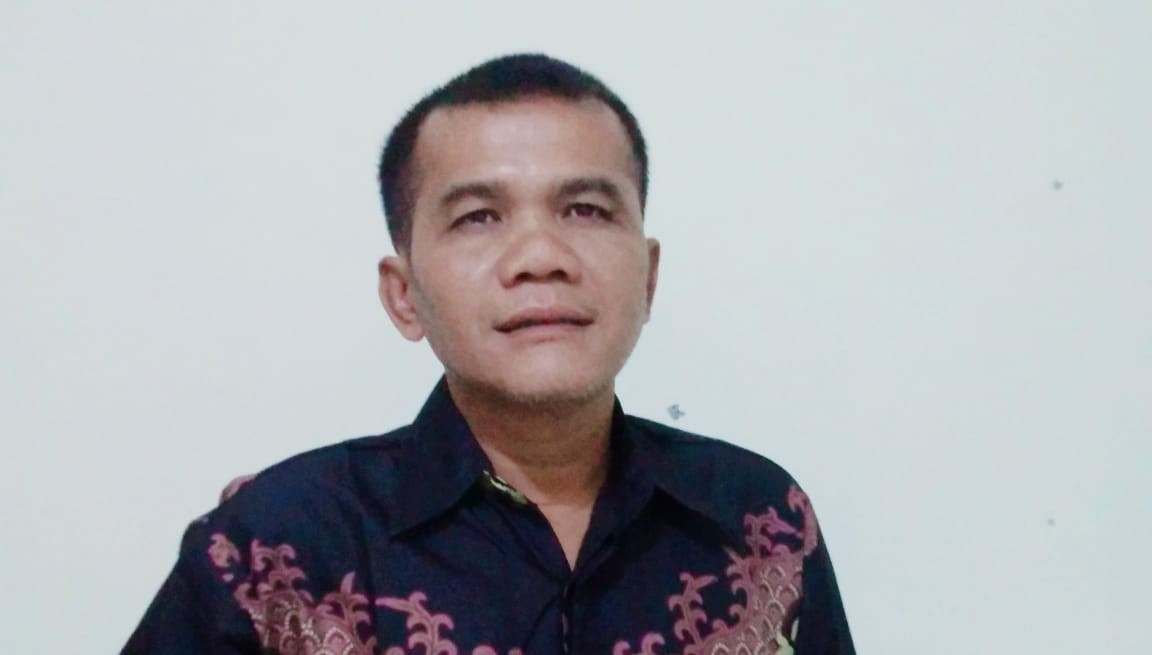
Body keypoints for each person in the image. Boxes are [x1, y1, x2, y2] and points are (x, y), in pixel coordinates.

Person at [121, 53, 855, 655]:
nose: (540, 256)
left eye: (586, 210)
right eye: (479, 217)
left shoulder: (760, 521)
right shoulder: (274, 545)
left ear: (649, 277)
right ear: (403, 294)